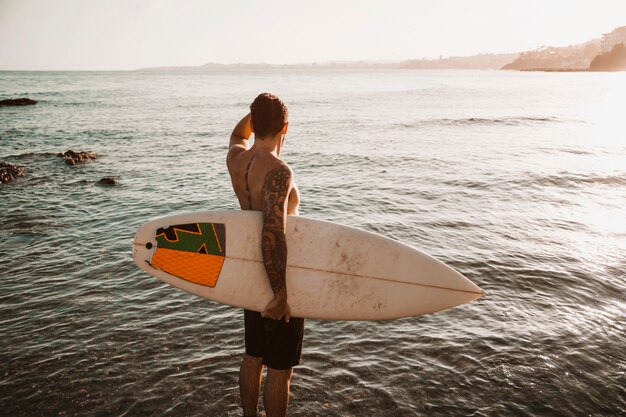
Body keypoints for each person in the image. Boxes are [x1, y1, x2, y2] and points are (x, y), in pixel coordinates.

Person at [226, 93, 304, 417]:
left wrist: (251, 115)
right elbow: (273, 234)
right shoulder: (278, 172)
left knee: (253, 357)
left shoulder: (236, 159)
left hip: (248, 276)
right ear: (285, 127)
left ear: (255, 122)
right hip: (276, 278)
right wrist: (282, 295)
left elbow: (237, 136)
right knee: (280, 369)